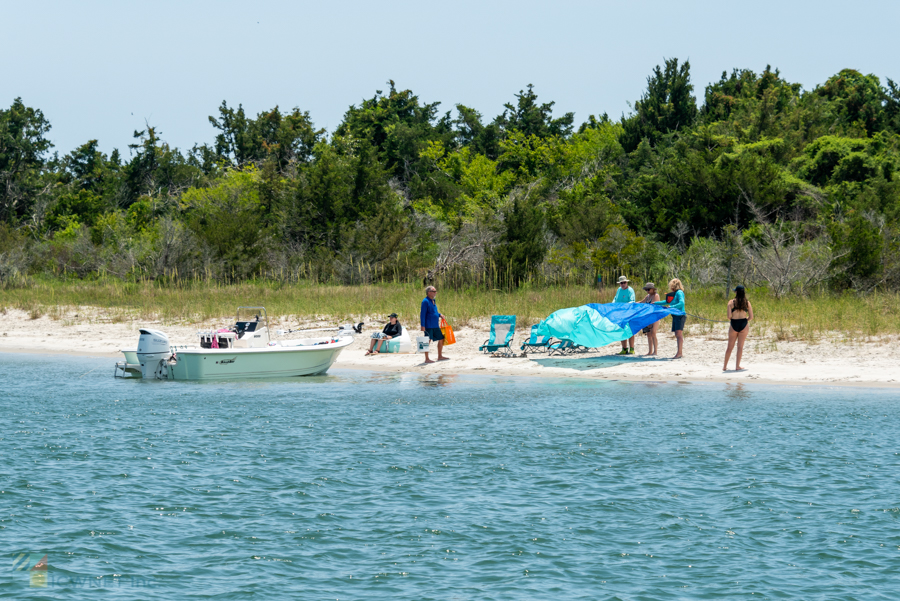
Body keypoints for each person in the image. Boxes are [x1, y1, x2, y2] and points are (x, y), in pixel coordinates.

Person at [723, 285, 753, 371]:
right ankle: (737, 366)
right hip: (743, 324)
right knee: (740, 347)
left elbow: (729, 316)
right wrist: (745, 320)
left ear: (736, 292)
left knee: (730, 347)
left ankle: (724, 366)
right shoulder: (747, 302)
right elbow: (751, 317)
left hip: (734, 324)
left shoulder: (731, 302)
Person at [654, 278, 686, 359]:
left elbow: (681, 303)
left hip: (680, 315)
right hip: (675, 315)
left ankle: (679, 353)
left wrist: (671, 307)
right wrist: (655, 303)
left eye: (671, 285)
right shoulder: (674, 294)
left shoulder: (679, 292)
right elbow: (666, 301)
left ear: (674, 285)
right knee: (677, 334)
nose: (670, 287)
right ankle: (679, 353)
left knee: (679, 334)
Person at [420, 286, 449, 364]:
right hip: (428, 326)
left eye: (435, 291)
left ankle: (440, 356)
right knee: (427, 341)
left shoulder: (433, 301)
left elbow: (434, 312)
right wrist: (422, 325)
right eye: (434, 291)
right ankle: (427, 359)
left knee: (441, 338)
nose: (435, 292)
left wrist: (440, 315)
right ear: (429, 292)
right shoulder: (425, 301)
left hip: (435, 325)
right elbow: (422, 314)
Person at [613, 275, 636, 355]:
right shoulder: (619, 290)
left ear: (627, 282)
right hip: (620, 313)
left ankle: (632, 349)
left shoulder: (630, 290)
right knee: (622, 330)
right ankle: (624, 349)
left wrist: (624, 306)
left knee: (630, 330)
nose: (623, 284)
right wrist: (612, 304)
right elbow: (615, 299)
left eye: (624, 282)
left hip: (628, 313)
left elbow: (632, 301)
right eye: (621, 283)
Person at [639, 282, 660, 356]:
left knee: (653, 332)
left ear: (652, 289)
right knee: (648, 334)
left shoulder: (655, 295)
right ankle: (650, 351)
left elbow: (654, 305)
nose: (647, 291)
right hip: (648, 317)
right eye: (646, 290)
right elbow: (641, 302)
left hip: (655, 316)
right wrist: (633, 303)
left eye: (648, 289)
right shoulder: (647, 296)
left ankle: (655, 351)